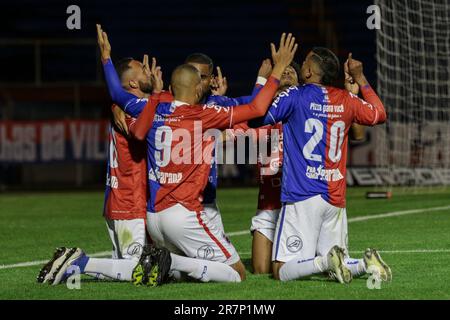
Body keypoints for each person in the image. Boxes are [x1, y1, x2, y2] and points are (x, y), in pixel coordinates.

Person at [249, 47, 391, 283]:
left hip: (302, 195)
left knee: (281, 270)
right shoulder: (346, 99)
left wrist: (275, 72)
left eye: (304, 62)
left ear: (310, 71)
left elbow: (256, 116)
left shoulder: (295, 95)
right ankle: (365, 265)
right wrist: (361, 78)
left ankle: (327, 261)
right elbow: (379, 114)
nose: (301, 64)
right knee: (339, 263)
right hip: (335, 198)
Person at [37, 55, 153, 284]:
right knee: (137, 271)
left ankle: (74, 268)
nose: (149, 71)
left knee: (122, 270)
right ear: (132, 83)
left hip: (116, 201)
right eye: (143, 70)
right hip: (130, 202)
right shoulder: (132, 111)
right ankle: (78, 262)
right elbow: (170, 112)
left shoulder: (124, 107)